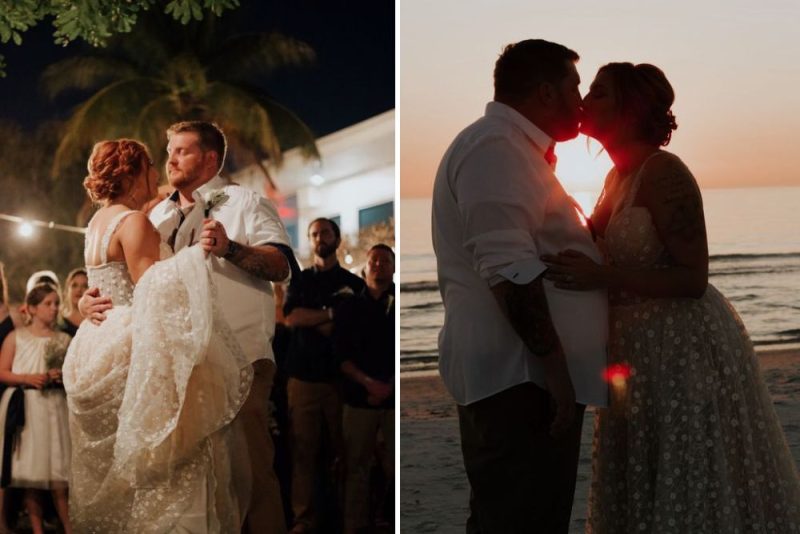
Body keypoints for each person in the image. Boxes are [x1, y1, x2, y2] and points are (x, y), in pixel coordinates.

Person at [541, 62, 800, 532]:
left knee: (688, 473)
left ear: (628, 108)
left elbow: (693, 278)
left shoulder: (665, 174)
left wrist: (603, 276)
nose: (584, 102)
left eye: (597, 94)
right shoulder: (616, 177)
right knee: (645, 471)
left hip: (682, 346)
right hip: (635, 351)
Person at [80, 121, 296, 534]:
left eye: (183, 151)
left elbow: (281, 264)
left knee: (248, 473)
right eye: (169, 152)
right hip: (178, 370)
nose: (171, 160)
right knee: (196, 480)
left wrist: (231, 248)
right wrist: (86, 299)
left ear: (211, 159)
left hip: (240, 358)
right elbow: (125, 273)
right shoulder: (153, 214)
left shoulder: (244, 201)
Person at [431, 39, 608, 533]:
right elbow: (508, 270)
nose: (581, 100)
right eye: (575, 86)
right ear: (547, 92)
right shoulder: (496, 147)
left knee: (530, 516)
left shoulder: (517, 150)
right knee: (518, 518)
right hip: (520, 378)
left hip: (527, 376)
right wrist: (556, 372)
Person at [283, 217, 365, 534]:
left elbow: (354, 328)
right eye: (314, 234)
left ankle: (346, 520)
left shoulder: (353, 284)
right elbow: (292, 318)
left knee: (344, 453)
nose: (320, 238)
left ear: (337, 238)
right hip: (302, 379)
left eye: (325, 232)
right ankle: (303, 521)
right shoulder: (300, 281)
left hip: (340, 382)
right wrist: (330, 314)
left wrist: (314, 318)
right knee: (303, 453)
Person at [0, 283, 72, 534]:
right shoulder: (16, 337)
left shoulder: (64, 340)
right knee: (32, 471)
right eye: (47, 304)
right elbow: (2, 372)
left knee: (59, 472)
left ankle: (69, 526)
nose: (53, 309)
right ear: (31, 308)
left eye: (56, 303)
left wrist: (63, 377)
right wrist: (27, 378)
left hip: (55, 407)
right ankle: (36, 528)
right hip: (29, 407)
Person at [334, 244, 395, 534]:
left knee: (395, 468)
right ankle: (354, 526)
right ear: (365, 267)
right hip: (358, 398)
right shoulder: (350, 306)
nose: (379, 265)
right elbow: (341, 356)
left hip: (394, 400)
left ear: (394, 267)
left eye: (385, 261)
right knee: (355, 468)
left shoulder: (399, 303)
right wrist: (369, 384)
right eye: (374, 261)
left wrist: (390, 387)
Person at [58, 268, 87, 337]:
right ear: (67, 289)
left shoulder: (96, 320)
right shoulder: (59, 322)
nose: (79, 289)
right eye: (74, 285)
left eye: (85, 286)